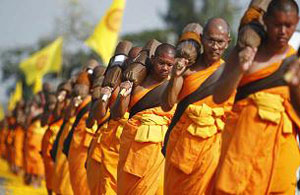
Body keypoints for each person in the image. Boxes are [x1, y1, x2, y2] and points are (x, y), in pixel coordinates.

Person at [213, 0, 300, 194]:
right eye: (278, 25)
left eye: (289, 26)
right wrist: (240, 70)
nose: (283, 31)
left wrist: (294, 85)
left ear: (297, 22)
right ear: (266, 20)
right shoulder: (245, 52)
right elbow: (219, 96)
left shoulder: (295, 62)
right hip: (241, 153)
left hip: (279, 158)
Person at [162, 18, 232, 194]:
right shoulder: (187, 69)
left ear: (228, 42)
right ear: (202, 38)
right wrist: (175, 78)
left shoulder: (229, 72)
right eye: (211, 40)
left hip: (212, 148)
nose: (215, 47)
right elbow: (167, 104)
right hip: (181, 144)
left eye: (220, 42)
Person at [114, 43, 176, 195]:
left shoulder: (174, 86)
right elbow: (117, 113)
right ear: (153, 59)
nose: (165, 68)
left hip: (161, 150)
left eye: (169, 65)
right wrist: (123, 93)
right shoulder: (137, 84)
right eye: (162, 63)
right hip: (134, 147)